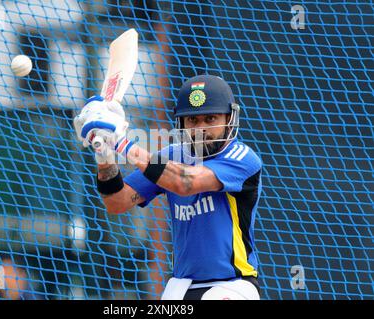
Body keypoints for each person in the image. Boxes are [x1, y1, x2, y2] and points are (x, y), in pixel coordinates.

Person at [74, 74, 262, 300]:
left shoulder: (242, 157)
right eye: (193, 120)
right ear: (181, 123)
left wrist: (121, 142)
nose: (201, 129)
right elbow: (117, 202)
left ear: (230, 118)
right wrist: (103, 151)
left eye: (211, 119)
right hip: (181, 285)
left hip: (232, 285)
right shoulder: (171, 157)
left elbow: (184, 182)